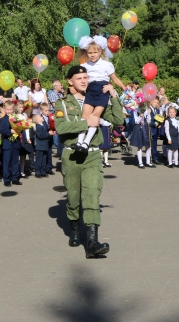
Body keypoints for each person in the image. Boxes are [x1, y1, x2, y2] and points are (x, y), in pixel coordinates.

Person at [54, 65, 124, 258]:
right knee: (74, 198)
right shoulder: (63, 103)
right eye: (79, 78)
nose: (84, 81)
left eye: (86, 77)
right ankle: (75, 228)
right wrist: (86, 123)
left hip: (92, 155)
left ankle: (92, 242)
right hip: (71, 156)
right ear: (70, 82)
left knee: (92, 196)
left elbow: (118, 119)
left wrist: (113, 94)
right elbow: (60, 127)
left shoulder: (97, 99)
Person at [73, 35, 126, 152]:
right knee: (85, 116)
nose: (92, 55)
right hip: (91, 91)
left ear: (100, 52)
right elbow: (80, 79)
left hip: (102, 92)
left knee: (95, 116)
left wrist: (123, 87)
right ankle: (79, 141)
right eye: (89, 52)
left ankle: (86, 143)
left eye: (95, 52)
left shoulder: (106, 65)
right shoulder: (84, 66)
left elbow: (114, 78)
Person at [0, 101, 22, 187]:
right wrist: (10, 131)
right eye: (7, 109)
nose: (9, 111)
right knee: (6, 162)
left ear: (13, 109)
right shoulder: (2, 119)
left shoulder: (16, 118)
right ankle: (7, 179)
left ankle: (15, 178)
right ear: (4, 109)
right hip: (7, 143)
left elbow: (21, 127)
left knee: (15, 161)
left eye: (11, 109)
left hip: (15, 142)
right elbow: (2, 130)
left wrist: (19, 129)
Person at [40, 103, 56, 175]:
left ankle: (49, 168)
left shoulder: (50, 117)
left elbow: (53, 125)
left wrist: (54, 130)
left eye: (48, 110)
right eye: (46, 110)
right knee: (44, 154)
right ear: (41, 110)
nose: (47, 112)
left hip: (50, 137)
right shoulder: (40, 118)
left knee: (49, 153)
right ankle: (42, 169)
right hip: (43, 138)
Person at [33, 114, 50, 178]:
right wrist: (48, 134)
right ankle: (38, 172)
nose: (42, 117)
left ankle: (43, 171)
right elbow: (41, 136)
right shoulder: (38, 127)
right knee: (39, 160)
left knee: (44, 160)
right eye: (40, 117)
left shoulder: (43, 125)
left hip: (44, 146)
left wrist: (50, 134)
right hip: (39, 146)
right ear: (37, 121)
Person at [148, 97, 162, 164]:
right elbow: (149, 121)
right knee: (151, 144)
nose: (156, 104)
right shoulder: (149, 109)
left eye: (157, 103)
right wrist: (155, 124)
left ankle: (155, 157)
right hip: (151, 129)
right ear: (151, 102)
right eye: (154, 102)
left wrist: (159, 123)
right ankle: (152, 158)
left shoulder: (157, 110)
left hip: (156, 130)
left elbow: (159, 119)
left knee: (155, 144)